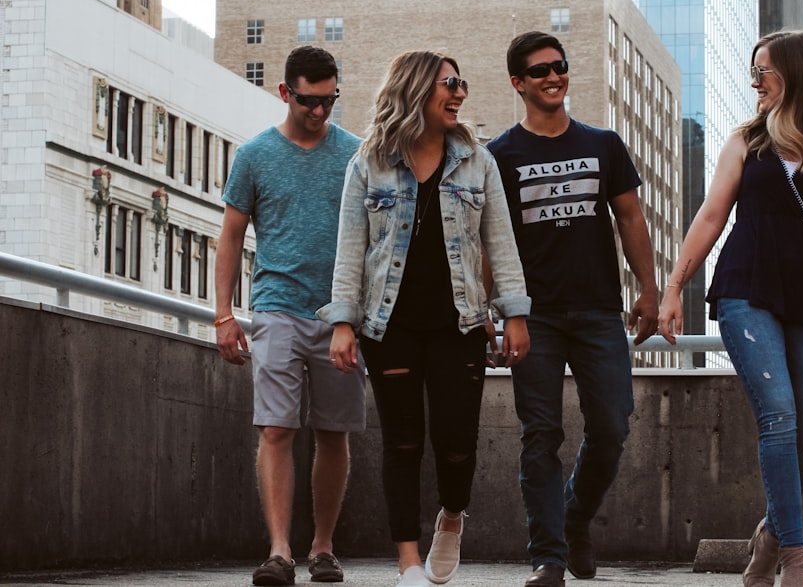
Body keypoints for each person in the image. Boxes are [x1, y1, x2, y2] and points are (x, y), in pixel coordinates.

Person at [657, 30, 803, 587]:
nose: (754, 82)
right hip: (744, 286)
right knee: (777, 414)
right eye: (753, 71)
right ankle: (796, 559)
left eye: (765, 71)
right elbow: (709, 217)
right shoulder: (744, 142)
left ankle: (769, 537)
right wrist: (674, 287)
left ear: (797, 74)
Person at [318, 50, 531, 587]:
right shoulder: (369, 162)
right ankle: (407, 562)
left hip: (459, 325)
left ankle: (452, 515)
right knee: (403, 441)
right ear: (416, 89)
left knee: (457, 442)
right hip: (388, 328)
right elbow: (349, 247)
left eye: (461, 83)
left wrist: (515, 314)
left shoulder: (478, 162)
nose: (459, 92)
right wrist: (343, 322)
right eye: (449, 83)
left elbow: (500, 243)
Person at [487, 31, 660, 587]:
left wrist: (649, 289)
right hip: (531, 315)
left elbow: (631, 218)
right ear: (518, 83)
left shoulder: (603, 144)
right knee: (540, 435)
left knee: (612, 425)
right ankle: (549, 559)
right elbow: (493, 240)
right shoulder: (501, 156)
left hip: (598, 312)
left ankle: (575, 517)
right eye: (539, 71)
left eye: (559, 66)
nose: (553, 76)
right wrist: (493, 313)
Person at [215, 46, 367, 586]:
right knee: (276, 428)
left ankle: (322, 548)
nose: (320, 112)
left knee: (333, 432)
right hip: (275, 307)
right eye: (309, 101)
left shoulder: (355, 154)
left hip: (340, 315)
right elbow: (231, 235)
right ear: (285, 93)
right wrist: (224, 315)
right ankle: (279, 551)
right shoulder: (255, 155)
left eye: (329, 101)